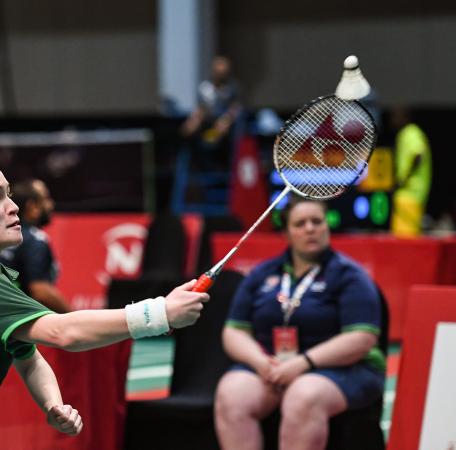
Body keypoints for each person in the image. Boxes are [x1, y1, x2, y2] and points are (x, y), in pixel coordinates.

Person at [0, 147, 209, 449]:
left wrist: (51, 404)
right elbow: (63, 333)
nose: (13, 207)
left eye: (9, 194)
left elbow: (27, 355)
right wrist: (159, 313)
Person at [214, 196, 385, 450]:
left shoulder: (350, 276)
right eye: (300, 223)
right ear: (286, 232)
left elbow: (362, 338)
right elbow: (234, 331)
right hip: (273, 367)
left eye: (317, 221)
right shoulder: (263, 274)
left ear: (327, 226)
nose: (310, 229)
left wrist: (303, 363)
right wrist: (260, 363)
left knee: (303, 396)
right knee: (231, 395)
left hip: (344, 369)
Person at [0, 179, 70, 313]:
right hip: (18, 320)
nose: (51, 204)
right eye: (46, 199)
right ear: (33, 207)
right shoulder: (35, 239)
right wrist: (73, 318)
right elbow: (40, 290)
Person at [180, 55, 242, 171]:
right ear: (213, 71)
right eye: (218, 72)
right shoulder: (204, 87)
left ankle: (213, 149)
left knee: (222, 126)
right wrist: (194, 120)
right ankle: (192, 157)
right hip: (207, 122)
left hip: (225, 125)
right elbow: (201, 109)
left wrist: (226, 119)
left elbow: (235, 108)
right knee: (190, 126)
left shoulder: (232, 88)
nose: (221, 75)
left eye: (223, 73)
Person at [389, 107, 432, 237]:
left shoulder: (410, 132)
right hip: (409, 193)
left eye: (396, 116)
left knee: (405, 238)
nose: (392, 120)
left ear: (405, 117)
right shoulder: (409, 133)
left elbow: (418, 155)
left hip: (410, 193)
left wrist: (404, 179)